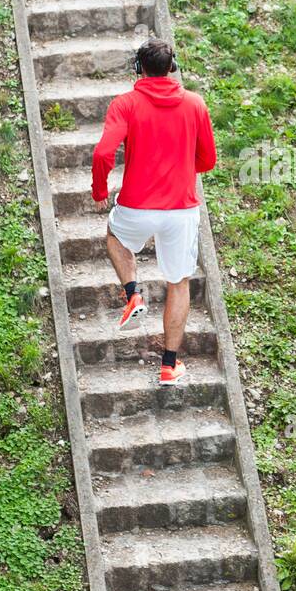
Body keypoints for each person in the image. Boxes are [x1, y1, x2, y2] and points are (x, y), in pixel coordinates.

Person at [90, 38, 216, 385]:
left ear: (138, 69)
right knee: (178, 283)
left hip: (136, 205)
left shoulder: (125, 104)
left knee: (115, 236)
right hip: (180, 209)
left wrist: (100, 189)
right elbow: (208, 160)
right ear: (172, 69)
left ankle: (133, 294)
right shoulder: (195, 104)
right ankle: (169, 366)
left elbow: (102, 154)